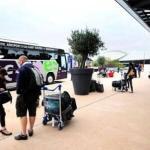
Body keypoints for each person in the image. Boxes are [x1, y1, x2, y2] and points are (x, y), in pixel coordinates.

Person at [15, 55, 41, 140]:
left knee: (22, 113)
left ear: (22, 61)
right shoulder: (35, 68)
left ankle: (23, 134)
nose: (19, 63)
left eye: (19, 61)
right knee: (32, 112)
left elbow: (18, 84)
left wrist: (18, 92)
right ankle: (30, 129)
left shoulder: (22, 69)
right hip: (34, 95)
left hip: (24, 95)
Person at [0, 68, 12, 136]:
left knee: (2, 113)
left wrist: (9, 96)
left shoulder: (3, 79)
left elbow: (5, 89)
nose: (3, 76)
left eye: (4, 75)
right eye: (2, 75)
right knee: (2, 113)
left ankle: (2, 128)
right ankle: (3, 129)